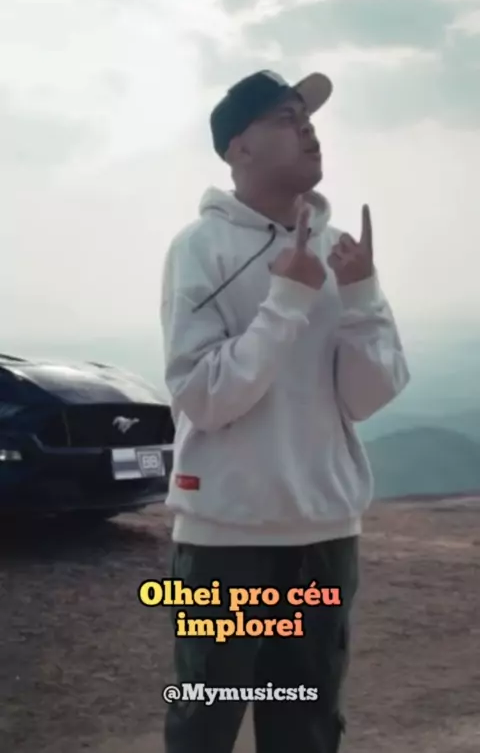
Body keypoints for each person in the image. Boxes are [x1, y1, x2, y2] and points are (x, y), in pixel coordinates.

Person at [160, 69, 410, 753]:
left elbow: (365, 397)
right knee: (205, 724)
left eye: (308, 117)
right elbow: (203, 396)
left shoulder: (339, 250)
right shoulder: (200, 247)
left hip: (326, 532)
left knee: (307, 725)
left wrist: (361, 296)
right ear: (238, 148)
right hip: (225, 535)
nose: (307, 129)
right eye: (283, 117)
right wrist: (287, 302)